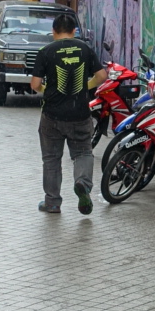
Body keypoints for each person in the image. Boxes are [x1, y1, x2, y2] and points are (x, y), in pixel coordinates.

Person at [30, 13, 106, 214]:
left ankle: (52, 202)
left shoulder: (46, 51)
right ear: (74, 31)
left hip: (52, 115)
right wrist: (85, 86)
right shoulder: (85, 48)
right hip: (80, 113)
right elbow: (101, 76)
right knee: (83, 153)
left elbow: (35, 84)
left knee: (51, 159)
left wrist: (48, 90)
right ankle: (83, 183)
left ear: (53, 31)